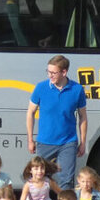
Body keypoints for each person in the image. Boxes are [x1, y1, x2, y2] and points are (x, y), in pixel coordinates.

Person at [26, 55, 88, 190]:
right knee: (40, 179)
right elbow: (30, 112)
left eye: (53, 73)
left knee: (66, 180)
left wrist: (83, 141)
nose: (50, 75)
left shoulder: (77, 90)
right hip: (45, 142)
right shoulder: (41, 88)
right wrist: (30, 139)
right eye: (48, 72)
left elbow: (83, 116)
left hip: (68, 142)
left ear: (64, 72)